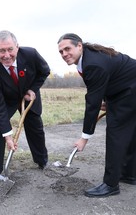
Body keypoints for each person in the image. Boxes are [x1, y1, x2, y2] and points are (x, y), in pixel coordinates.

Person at [57, 33, 136, 197]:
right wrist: (109, 100)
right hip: (127, 90)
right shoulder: (89, 57)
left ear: (79, 45)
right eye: (61, 52)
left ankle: (110, 185)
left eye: (67, 49)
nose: (64, 54)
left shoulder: (92, 64)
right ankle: (129, 175)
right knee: (129, 133)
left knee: (116, 135)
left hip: (130, 92)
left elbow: (92, 104)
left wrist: (84, 138)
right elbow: (111, 78)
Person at [0, 30, 50, 185]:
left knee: (35, 125)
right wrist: (8, 136)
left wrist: (33, 89)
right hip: (6, 99)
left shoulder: (31, 54)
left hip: (28, 93)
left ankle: (42, 161)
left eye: (10, 49)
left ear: (17, 47)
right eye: (2, 51)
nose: (7, 55)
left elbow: (44, 71)